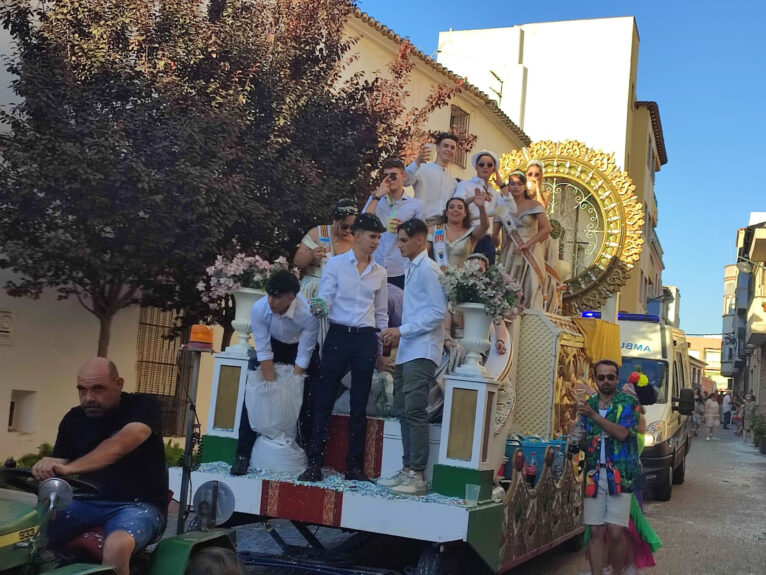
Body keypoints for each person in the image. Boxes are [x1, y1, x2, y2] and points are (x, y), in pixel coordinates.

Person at [32, 358, 167, 575]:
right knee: (28, 531)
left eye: (98, 389)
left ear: (119, 384)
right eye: (82, 390)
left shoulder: (142, 406)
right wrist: (46, 466)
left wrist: (68, 468)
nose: (89, 398)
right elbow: (61, 462)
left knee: (116, 547)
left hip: (138, 505)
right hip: (84, 503)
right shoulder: (74, 418)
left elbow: (121, 444)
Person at [299, 213, 389, 483]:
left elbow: (381, 314)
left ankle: (354, 467)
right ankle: (314, 461)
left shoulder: (380, 272)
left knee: (359, 404)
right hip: (338, 334)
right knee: (324, 398)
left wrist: (381, 350)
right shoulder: (336, 264)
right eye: (372, 237)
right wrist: (319, 306)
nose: (376, 242)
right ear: (357, 235)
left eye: (379, 238)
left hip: (364, 338)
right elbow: (325, 296)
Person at [377, 219, 448, 495]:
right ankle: (407, 469)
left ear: (421, 240)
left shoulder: (429, 269)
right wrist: (399, 333)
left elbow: (437, 312)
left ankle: (417, 475)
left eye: (405, 240)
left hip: (424, 348)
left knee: (415, 410)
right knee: (402, 409)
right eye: (399, 240)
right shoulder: (411, 267)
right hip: (408, 348)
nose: (400, 245)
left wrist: (401, 330)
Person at [231, 270, 320, 475]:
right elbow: (263, 349)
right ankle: (242, 455)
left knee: (307, 400)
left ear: (291, 297)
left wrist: (291, 389)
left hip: (299, 349)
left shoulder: (308, 313)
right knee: (254, 396)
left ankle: (307, 456)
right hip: (273, 347)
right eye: (269, 295)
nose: (271, 301)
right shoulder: (259, 308)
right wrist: (272, 388)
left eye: (277, 297)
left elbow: (305, 353)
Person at [576, 359, 641, 575]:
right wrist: (575, 436)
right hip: (594, 475)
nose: (606, 381)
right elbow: (584, 438)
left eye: (610, 377)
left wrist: (594, 416)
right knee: (596, 530)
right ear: (596, 379)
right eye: (601, 377)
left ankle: (616, 572)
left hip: (620, 475)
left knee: (615, 531)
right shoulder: (589, 406)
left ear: (617, 379)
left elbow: (623, 433)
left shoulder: (628, 403)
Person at [364, 157, 425, 289]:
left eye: (393, 175)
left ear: (403, 176)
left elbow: (420, 237)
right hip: (375, 264)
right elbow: (362, 224)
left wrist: (404, 228)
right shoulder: (375, 199)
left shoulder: (415, 205)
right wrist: (377, 196)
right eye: (385, 176)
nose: (388, 180)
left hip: (400, 268)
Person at [497, 171, 552, 310]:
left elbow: (546, 229)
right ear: (508, 186)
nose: (516, 187)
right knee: (508, 286)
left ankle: (531, 322)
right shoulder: (502, 207)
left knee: (532, 286)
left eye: (519, 184)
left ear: (524, 186)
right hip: (511, 252)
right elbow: (498, 235)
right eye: (512, 184)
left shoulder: (533, 204)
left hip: (531, 251)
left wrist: (527, 244)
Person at [293, 198, 358, 299]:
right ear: (335, 220)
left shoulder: (352, 242)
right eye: (344, 227)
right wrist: (311, 255)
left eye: (352, 227)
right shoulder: (318, 233)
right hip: (313, 285)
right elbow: (297, 262)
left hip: (338, 290)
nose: (348, 231)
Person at [452, 150, 502, 264]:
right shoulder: (465, 185)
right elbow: (455, 204)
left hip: (487, 239)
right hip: (467, 235)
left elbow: (510, 208)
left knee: (487, 278)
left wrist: (502, 184)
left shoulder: (494, 193)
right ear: (476, 167)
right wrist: (474, 199)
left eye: (489, 165)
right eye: (481, 164)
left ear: (494, 169)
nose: (485, 167)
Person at [404, 133, 459, 225]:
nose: (449, 149)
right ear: (437, 148)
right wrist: (417, 162)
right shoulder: (422, 169)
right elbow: (405, 181)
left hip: (443, 227)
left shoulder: (453, 182)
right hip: (422, 223)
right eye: (445, 146)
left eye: (452, 147)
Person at [430, 195, 489, 269]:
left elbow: (484, 226)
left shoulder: (471, 232)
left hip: (462, 279)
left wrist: (481, 208)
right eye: (451, 207)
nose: (455, 209)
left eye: (460, 208)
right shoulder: (434, 230)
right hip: (436, 277)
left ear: (465, 214)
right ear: (446, 213)